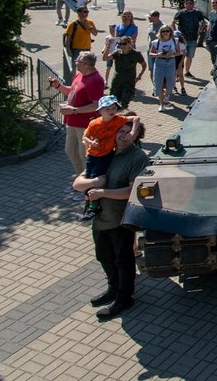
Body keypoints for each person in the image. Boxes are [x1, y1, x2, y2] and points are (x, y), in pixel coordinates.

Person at [72, 115, 149, 319]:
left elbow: (132, 191)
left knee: (123, 260)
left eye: (127, 132)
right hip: (101, 217)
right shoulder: (105, 151)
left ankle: (124, 298)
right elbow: (79, 182)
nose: (122, 136)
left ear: (135, 135)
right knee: (103, 256)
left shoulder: (138, 158)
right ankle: (113, 289)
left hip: (120, 219)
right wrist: (94, 181)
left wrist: (102, 192)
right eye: (119, 131)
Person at [78, 95, 140, 220]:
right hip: (92, 155)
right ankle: (89, 206)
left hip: (104, 155)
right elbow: (77, 185)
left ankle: (92, 207)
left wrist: (133, 131)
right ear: (100, 111)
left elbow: (136, 118)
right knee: (91, 179)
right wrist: (91, 143)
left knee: (95, 177)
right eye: (107, 108)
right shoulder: (94, 123)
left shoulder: (118, 120)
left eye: (113, 107)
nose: (111, 110)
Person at [50, 52, 105, 180]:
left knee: (83, 154)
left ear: (86, 64)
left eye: (77, 61)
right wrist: (59, 86)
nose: (75, 63)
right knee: (70, 150)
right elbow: (72, 91)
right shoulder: (80, 74)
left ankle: (88, 182)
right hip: (72, 122)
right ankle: (80, 177)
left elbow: (97, 105)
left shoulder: (95, 80)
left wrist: (74, 110)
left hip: (85, 124)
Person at [102, 36, 147, 108]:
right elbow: (105, 58)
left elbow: (144, 65)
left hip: (129, 82)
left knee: (124, 103)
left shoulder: (136, 54)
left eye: (124, 43)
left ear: (130, 44)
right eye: (120, 44)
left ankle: (121, 116)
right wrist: (108, 45)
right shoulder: (117, 53)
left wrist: (139, 76)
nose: (122, 45)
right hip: (117, 81)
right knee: (112, 102)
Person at [172, 0, 208, 78]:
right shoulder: (180, 13)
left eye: (190, 3)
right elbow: (172, 23)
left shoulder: (198, 13)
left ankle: (187, 72)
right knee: (180, 56)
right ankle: (177, 73)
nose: (188, 5)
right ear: (184, 4)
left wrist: (200, 30)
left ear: (193, 4)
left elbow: (203, 22)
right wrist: (177, 34)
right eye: (187, 3)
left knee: (190, 56)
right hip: (182, 40)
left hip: (193, 39)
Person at [150, 25, 182, 112]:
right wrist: (158, 54)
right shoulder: (156, 42)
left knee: (171, 83)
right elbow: (151, 53)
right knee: (158, 83)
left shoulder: (175, 41)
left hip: (171, 62)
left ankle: (167, 96)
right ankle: (161, 104)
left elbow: (179, 52)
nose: (165, 33)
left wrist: (172, 54)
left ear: (170, 32)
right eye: (163, 31)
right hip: (159, 62)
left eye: (167, 31)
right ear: (160, 32)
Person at [104, 11, 139, 86]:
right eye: (124, 16)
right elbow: (117, 38)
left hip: (130, 49)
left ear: (131, 17)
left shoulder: (134, 27)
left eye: (128, 16)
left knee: (130, 66)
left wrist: (124, 42)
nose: (126, 18)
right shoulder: (118, 26)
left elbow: (133, 39)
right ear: (121, 17)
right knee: (119, 65)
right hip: (119, 48)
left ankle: (129, 81)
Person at [63, 7, 99, 74]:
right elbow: (68, 38)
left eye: (87, 12)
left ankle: (84, 81)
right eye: (85, 12)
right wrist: (68, 50)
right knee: (74, 67)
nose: (87, 13)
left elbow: (95, 33)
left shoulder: (90, 22)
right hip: (76, 49)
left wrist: (89, 27)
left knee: (87, 67)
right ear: (79, 13)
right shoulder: (72, 24)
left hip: (87, 49)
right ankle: (73, 82)